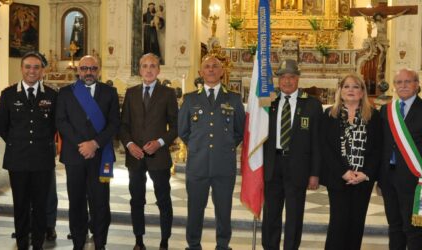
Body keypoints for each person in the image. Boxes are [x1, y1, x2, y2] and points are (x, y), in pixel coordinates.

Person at [178, 55, 245, 250]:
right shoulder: (190, 99)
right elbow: (183, 131)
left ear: (222, 71)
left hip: (224, 166)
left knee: (224, 210)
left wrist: (225, 147)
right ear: (200, 72)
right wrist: (198, 147)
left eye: (215, 66)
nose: (211, 69)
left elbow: (239, 131)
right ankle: (193, 245)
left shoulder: (233, 98)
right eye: (207, 66)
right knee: (195, 210)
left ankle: (223, 245)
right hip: (197, 165)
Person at [56, 55, 120, 250]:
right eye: (84, 68)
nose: (88, 72)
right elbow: (61, 121)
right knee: (76, 201)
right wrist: (83, 144)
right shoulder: (66, 93)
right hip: (75, 156)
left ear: (99, 70)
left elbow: (114, 123)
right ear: (78, 70)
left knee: (100, 202)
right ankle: (78, 240)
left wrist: (95, 143)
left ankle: (100, 242)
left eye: (93, 68)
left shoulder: (110, 92)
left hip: (100, 156)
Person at [0, 51, 58, 250]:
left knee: (40, 205)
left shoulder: (51, 94)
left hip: (42, 159)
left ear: (42, 70)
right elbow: (2, 126)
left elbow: (55, 125)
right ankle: (22, 242)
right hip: (18, 159)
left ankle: (38, 243)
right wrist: (19, 142)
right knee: (21, 204)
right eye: (28, 67)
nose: (32, 71)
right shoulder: (8, 94)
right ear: (21, 69)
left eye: (36, 67)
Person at [379, 68, 422, 250]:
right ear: (394, 86)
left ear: (417, 85)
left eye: (408, 81)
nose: (403, 85)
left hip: (415, 180)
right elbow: (382, 145)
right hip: (388, 177)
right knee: (394, 226)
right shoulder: (386, 110)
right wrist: (379, 179)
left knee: (413, 228)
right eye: (399, 82)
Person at [261, 59, 322, 250]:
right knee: (271, 213)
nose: (287, 81)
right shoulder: (267, 102)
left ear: (298, 79)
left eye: (292, 77)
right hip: (272, 165)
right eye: (283, 77)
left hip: (298, 166)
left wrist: (315, 173)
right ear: (278, 80)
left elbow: (317, 142)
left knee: (295, 214)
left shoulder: (312, 105)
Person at [119, 53, 177, 250]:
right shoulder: (131, 93)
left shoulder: (168, 94)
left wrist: (160, 142)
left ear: (159, 69)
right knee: (137, 200)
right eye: (145, 66)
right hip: (135, 157)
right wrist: (129, 145)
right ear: (139, 70)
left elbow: (176, 126)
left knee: (163, 200)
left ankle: (164, 241)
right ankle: (138, 240)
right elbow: (123, 125)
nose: (149, 69)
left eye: (153, 66)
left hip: (159, 157)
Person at [320, 74, 382, 250]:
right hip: (338, 177)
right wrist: (343, 171)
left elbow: (378, 148)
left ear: (362, 92)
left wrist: (365, 173)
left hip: (362, 179)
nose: (351, 90)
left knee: (356, 224)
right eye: (346, 87)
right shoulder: (330, 114)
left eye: (355, 87)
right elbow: (325, 147)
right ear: (340, 91)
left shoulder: (374, 116)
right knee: (337, 224)